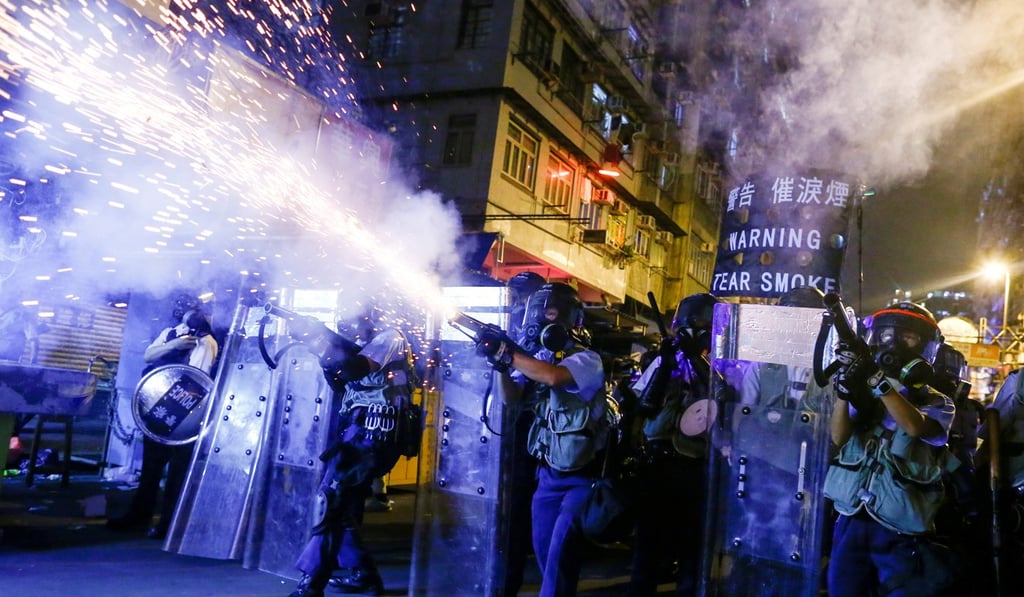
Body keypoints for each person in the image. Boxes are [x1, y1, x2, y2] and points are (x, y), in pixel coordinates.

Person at [475, 282, 605, 597]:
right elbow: (511, 399)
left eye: (553, 313)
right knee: (546, 552)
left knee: (560, 555)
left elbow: (552, 377)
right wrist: (501, 366)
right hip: (547, 476)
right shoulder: (537, 358)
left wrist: (510, 355)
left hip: (581, 478)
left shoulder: (587, 359)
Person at [823, 301, 957, 597]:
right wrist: (845, 394)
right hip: (853, 517)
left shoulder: (938, 401)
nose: (894, 342)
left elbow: (914, 427)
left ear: (925, 345)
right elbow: (838, 436)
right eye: (886, 334)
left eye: (908, 335)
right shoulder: (866, 389)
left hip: (900, 527)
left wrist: (879, 383)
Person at [290, 309, 418, 597]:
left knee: (330, 500)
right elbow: (339, 382)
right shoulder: (364, 344)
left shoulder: (390, 338)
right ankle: (363, 574)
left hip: (374, 434)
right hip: (358, 433)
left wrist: (320, 340)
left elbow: (354, 369)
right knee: (342, 507)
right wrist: (318, 346)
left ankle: (312, 581)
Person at [625, 292, 719, 597]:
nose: (693, 333)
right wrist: (665, 365)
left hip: (697, 468)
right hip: (657, 465)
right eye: (688, 326)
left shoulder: (726, 365)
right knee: (647, 555)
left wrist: (696, 358)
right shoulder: (666, 359)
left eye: (702, 326)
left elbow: (726, 400)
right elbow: (644, 407)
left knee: (693, 556)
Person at [107, 298, 218, 539]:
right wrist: (176, 344)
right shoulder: (169, 333)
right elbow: (149, 355)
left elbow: (197, 378)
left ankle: (169, 524)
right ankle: (138, 517)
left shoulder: (206, 342)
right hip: (158, 411)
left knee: (177, 476)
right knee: (150, 471)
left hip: (186, 418)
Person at [501, 271, 546, 596]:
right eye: (513, 300)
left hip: (541, 438)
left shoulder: (553, 341)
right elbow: (508, 395)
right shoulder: (514, 336)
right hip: (510, 433)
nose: (517, 308)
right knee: (510, 515)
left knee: (532, 519)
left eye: (522, 300)